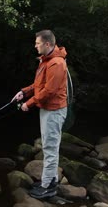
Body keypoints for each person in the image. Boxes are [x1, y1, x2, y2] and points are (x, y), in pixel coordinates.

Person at [11, 29, 68, 199]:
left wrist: (28, 104)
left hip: (54, 111)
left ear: (48, 44)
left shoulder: (57, 63)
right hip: (47, 109)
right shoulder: (46, 61)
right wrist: (24, 92)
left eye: (38, 43)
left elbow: (49, 91)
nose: (35, 46)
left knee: (50, 148)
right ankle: (47, 180)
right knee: (47, 145)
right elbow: (39, 84)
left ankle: (49, 187)